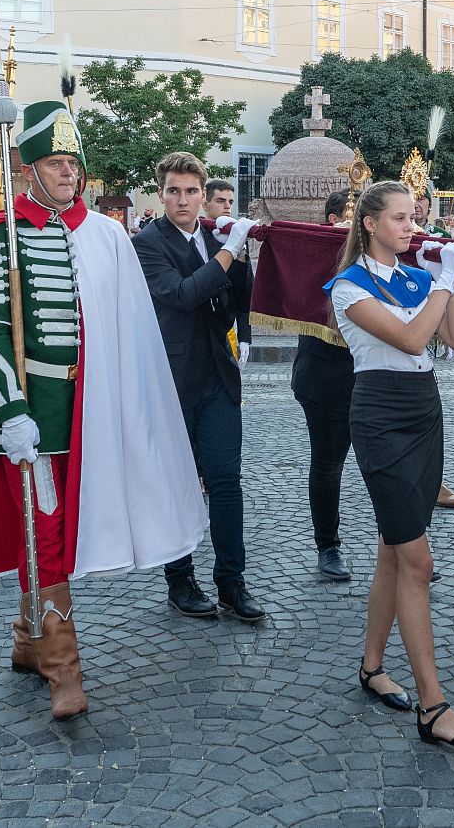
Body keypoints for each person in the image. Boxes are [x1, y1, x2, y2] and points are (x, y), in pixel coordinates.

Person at [0, 100, 207, 721]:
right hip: (27, 415)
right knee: (44, 531)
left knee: (56, 530)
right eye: (55, 163)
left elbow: (127, 326)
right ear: (29, 167)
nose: (68, 174)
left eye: (73, 163)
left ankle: (26, 639)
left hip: (88, 410)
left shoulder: (106, 235)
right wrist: (10, 409)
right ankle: (63, 667)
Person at [323, 181, 454, 748]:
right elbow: (415, 340)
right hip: (380, 417)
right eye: (398, 219)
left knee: (395, 550)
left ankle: (371, 666)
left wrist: (450, 278)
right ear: (369, 224)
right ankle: (432, 705)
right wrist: (442, 282)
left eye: (413, 217)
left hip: (424, 413)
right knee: (416, 559)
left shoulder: (418, 279)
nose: (410, 227)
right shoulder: (348, 286)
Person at [134, 153, 263, 623]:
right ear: (161, 194)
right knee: (179, 481)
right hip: (173, 378)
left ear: (202, 194)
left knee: (227, 479)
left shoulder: (216, 237)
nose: (183, 200)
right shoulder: (147, 242)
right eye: (174, 191)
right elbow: (185, 295)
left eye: (191, 191)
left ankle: (232, 582)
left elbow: (238, 300)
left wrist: (241, 259)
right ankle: (180, 579)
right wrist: (229, 252)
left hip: (219, 375)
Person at [291, 190, 357, 582]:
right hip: (325, 377)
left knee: (382, 466)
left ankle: (404, 544)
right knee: (328, 463)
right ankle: (327, 546)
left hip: (374, 378)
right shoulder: (317, 253)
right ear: (334, 219)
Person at [202, 177, 253, 371]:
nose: (227, 207)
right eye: (220, 201)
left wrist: (245, 338)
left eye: (230, 202)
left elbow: (245, 291)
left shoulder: (236, 235)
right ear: (205, 203)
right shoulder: (199, 235)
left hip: (228, 324)